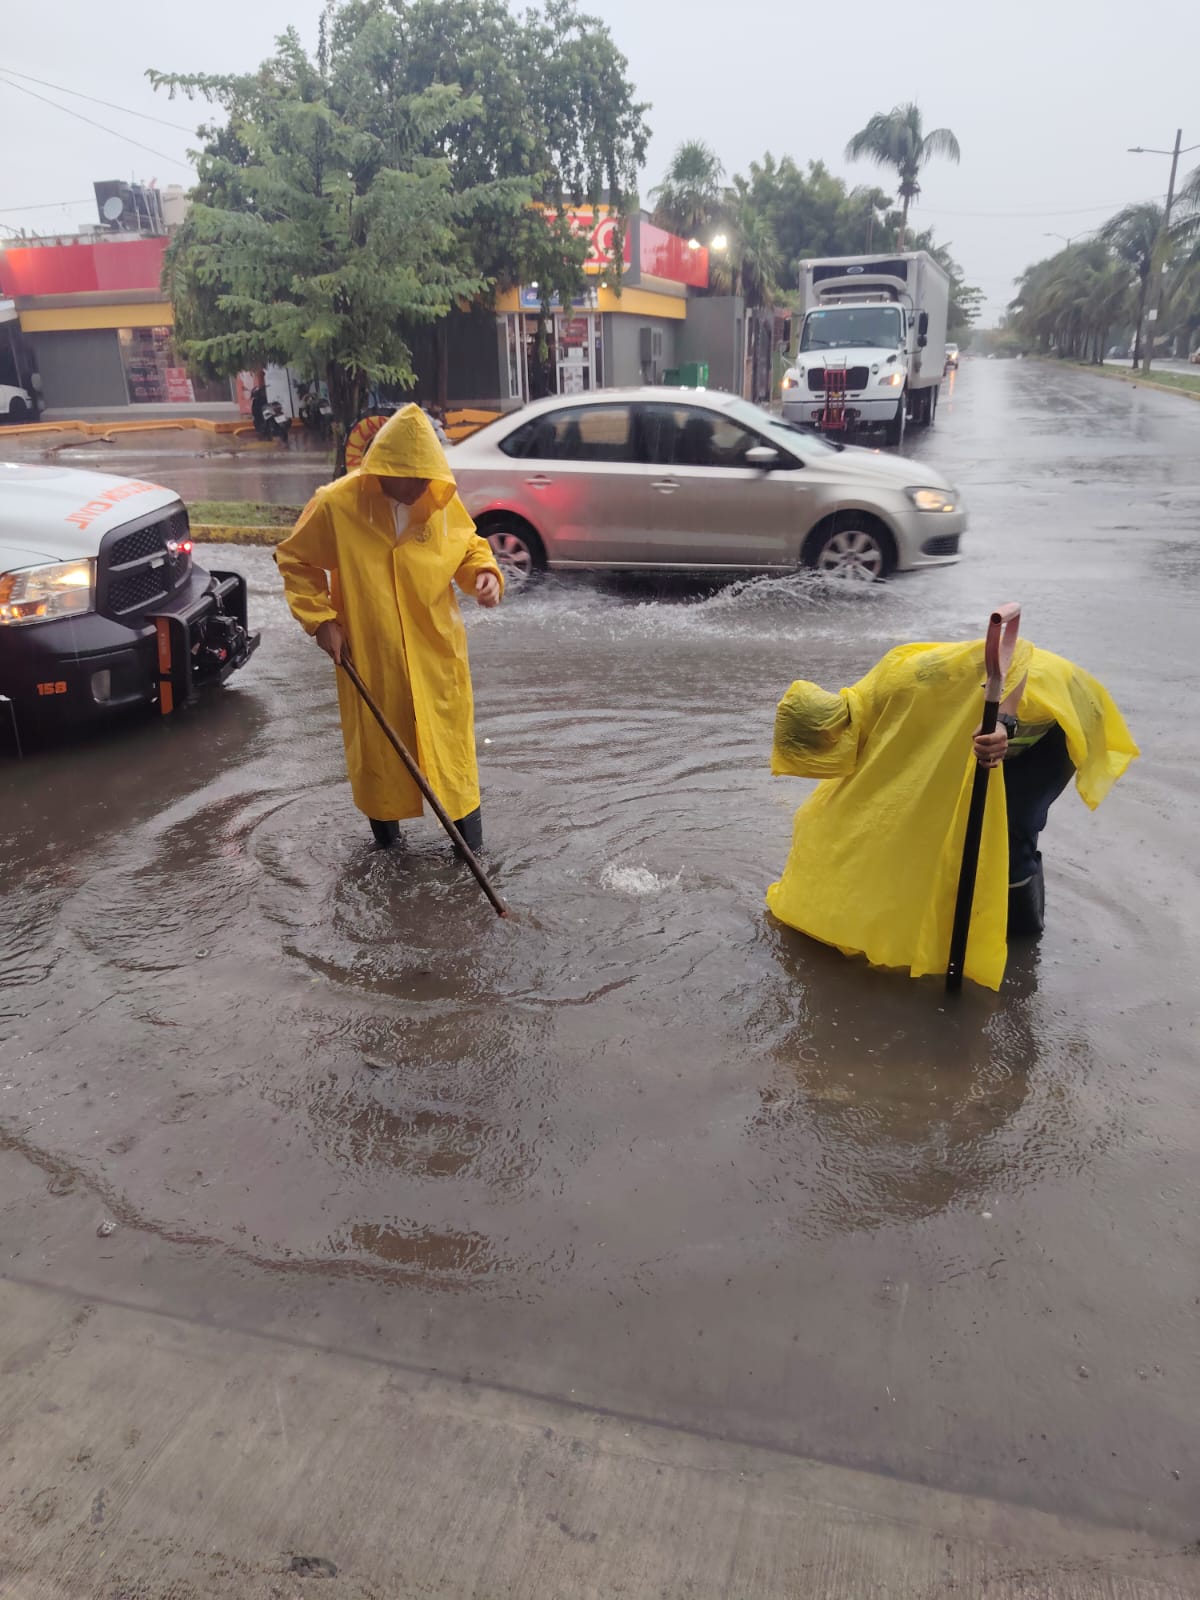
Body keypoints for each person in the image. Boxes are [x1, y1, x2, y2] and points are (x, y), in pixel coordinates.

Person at [766, 635, 1138, 990]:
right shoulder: (873, 711)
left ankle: (1023, 938)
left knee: (1011, 827)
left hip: (1056, 715)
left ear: (829, 734)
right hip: (999, 727)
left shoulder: (902, 685)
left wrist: (1004, 721)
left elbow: (1015, 651)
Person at [275, 404, 503, 853]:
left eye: (428, 475)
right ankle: (389, 854)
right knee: (380, 753)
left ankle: (470, 851)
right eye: (412, 475)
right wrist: (321, 622)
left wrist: (485, 574)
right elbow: (295, 560)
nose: (422, 486)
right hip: (371, 656)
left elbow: (468, 545)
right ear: (384, 469)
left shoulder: (437, 500)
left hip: (436, 655)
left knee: (452, 755)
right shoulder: (337, 505)